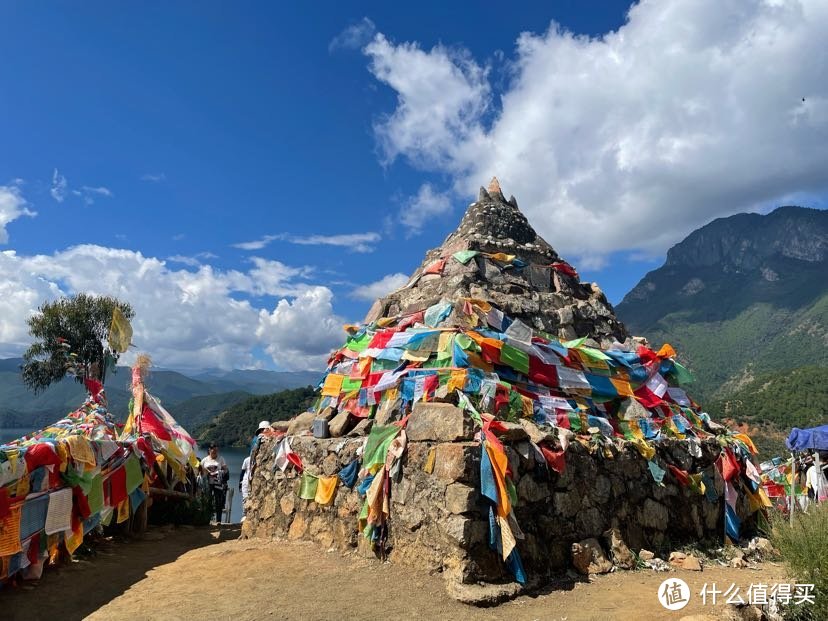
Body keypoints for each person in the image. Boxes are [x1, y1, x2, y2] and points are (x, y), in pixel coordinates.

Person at [240, 420, 270, 516]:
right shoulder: (260, 438)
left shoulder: (255, 440)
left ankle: (246, 514)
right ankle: (246, 514)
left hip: (250, 474)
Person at [201, 443, 229, 524]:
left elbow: (225, 469)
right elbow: (200, 471)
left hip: (218, 482)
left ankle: (218, 520)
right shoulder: (204, 460)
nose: (215, 452)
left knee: (218, 501)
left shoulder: (221, 459)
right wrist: (205, 473)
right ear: (209, 450)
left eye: (216, 451)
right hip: (208, 482)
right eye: (213, 451)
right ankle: (207, 519)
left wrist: (221, 472)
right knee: (208, 500)